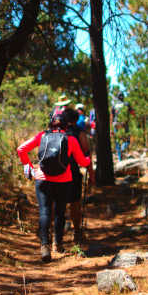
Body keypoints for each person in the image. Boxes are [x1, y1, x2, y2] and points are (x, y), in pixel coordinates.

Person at [17, 112, 92, 263]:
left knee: (44, 211)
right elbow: (83, 163)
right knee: (60, 212)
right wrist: (89, 159)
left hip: (42, 178)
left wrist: (29, 167)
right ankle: (57, 244)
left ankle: (44, 246)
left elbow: (21, 149)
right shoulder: (70, 139)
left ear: (50, 124)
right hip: (64, 180)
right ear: (66, 125)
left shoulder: (42, 136)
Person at [62, 107, 93, 243]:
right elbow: (87, 154)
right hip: (73, 172)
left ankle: (56, 235)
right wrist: (92, 175)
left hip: (57, 173)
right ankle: (76, 232)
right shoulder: (79, 133)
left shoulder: (57, 132)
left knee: (58, 204)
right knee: (75, 203)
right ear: (76, 120)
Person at [111, 91, 134, 160]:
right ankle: (123, 148)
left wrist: (112, 125)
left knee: (117, 141)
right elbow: (132, 112)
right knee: (127, 139)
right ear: (123, 97)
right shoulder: (126, 104)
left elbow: (112, 116)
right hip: (124, 123)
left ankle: (119, 158)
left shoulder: (114, 105)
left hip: (116, 124)